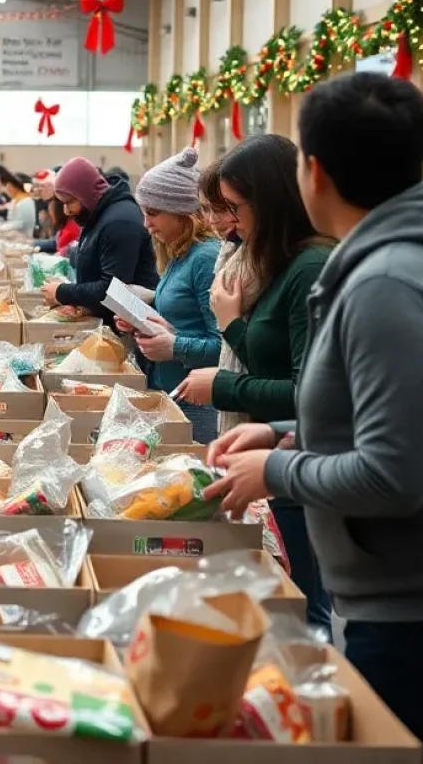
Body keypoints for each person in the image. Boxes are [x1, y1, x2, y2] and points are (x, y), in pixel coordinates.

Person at [206, 73, 423, 737]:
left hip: (401, 613)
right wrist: (280, 433)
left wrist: (274, 472)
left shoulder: (384, 283)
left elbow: (393, 472)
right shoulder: (375, 266)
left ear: (315, 171)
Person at [177, 134, 332, 635]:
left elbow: (308, 392)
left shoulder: (309, 267)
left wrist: (226, 373)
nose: (229, 222)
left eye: (235, 208)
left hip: (293, 462)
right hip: (268, 454)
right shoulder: (273, 260)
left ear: (273, 200)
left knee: (303, 608)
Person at [127, 148, 221, 443]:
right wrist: (146, 310)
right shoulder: (179, 253)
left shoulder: (206, 258)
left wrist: (174, 346)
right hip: (173, 393)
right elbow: (185, 316)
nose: (146, 224)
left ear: (182, 213)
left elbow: (227, 347)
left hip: (198, 404)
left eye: (153, 214)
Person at [41, 157, 159, 325]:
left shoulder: (119, 223)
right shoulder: (97, 214)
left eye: (69, 203)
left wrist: (62, 292)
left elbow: (112, 290)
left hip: (132, 330)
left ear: (85, 194)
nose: (66, 211)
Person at [199, 162, 260, 435]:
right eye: (205, 209)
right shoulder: (230, 251)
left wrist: (176, 346)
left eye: (223, 208)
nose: (212, 220)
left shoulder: (257, 263)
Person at [0, 166, 36, 235]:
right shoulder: (15, 200)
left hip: (24, 238)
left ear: (18, 187)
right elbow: (11, 219)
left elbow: (21, 223)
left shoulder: (26, 201)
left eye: (11, 187)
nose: (8, 189)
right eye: (7, 186)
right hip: (14, 237)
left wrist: (3, 228)